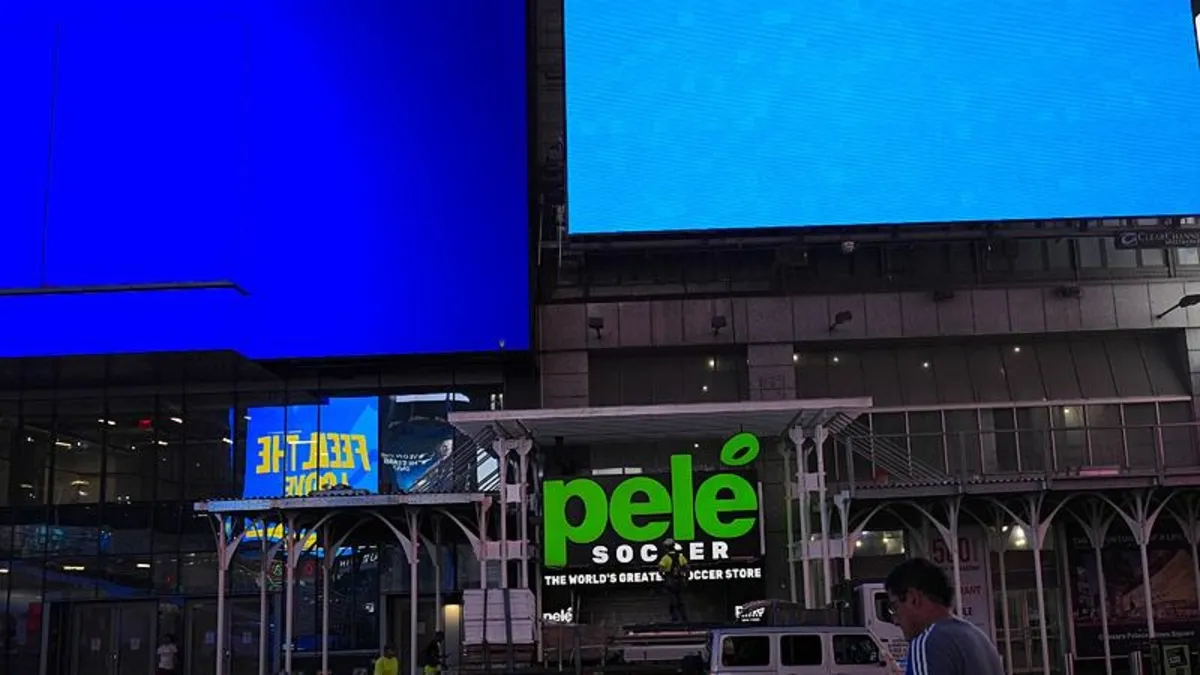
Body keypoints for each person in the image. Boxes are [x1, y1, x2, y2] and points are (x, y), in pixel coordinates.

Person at [884, 558, 1003, 675]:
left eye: (895, 607)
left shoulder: (928, 644)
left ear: (913, 598)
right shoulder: (980, 640)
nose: (895, 620)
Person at [657, 538, 690, 622]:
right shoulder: (681, 557)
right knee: (680, 600)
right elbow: (687, 568)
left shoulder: (665, 558)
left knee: (672, 601)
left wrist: (664, 577)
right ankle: (684, 618)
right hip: (680, 581)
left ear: (666, 548)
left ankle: (675, 618)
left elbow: (660, 570)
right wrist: (686, 579)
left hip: (670, 582)